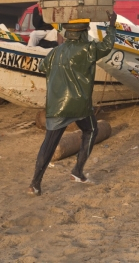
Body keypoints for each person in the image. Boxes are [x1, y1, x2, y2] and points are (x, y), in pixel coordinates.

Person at [27, 11, 118, 196]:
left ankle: (35, 184)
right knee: (91, 130)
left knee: (49, 144)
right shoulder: (89, 48)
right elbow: (108, 45)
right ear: (84, 32)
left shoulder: (54, 52)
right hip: (79, 104)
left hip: (56, 106)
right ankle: (77, 171)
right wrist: (112, 25)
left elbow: (42, 67)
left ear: (68, 33)